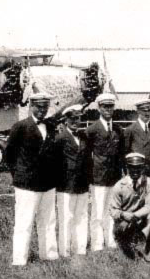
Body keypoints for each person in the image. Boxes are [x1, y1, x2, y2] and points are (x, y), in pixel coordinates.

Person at [5, 92, 59, 266]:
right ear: (31, 106)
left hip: (48, 183)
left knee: (49, 221)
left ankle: (49, 256)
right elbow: (10, 156)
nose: (42, 110)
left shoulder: (51, 126)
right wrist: (20, 176)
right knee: (24, 223)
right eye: (39, 106)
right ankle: (19, 261)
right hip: (27, 185)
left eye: (45, 106)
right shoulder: (20, 127)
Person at [85, 93, 123, 251]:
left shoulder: (118, 130)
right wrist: (89, 178)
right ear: (98, 108)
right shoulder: (92, 130)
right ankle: (97, 243)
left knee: (111, 210)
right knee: (98, 211)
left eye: (110, 106)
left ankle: (110, 239)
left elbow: (121, 155)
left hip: (113, 177)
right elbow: (86, 156)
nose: (108, 110)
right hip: (98, 177)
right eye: (104, 106)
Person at [109, 153, 150, 263]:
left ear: (143, 168)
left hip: (139, 219)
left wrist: (134, 216)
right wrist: (123, 215)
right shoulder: (119, 186)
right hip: (124, 222)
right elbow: (113, 210)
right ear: (127, 168)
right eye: (132, 168)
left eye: (138, 168)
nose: (135, 171)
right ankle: (126, 244)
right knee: (128, 258)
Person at [53, 104, 89, 258]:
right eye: (72, 119)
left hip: (82, 185)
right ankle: (65, 251)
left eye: (78, 118)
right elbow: (55, 163)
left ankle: (80, 249)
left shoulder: (83, 137)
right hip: (66, 185)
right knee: (66, 218)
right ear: (66, 120)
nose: (76, 121)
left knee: (81, 217)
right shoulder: (60, 138)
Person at [123, 99, 150, 181]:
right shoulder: (130, 129)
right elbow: (125, 151)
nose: (147, 113)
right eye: (144, 111)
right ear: (138, 111)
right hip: (136, 171)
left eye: (149, 110)